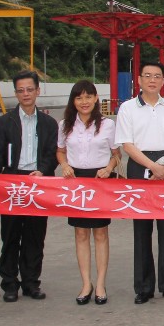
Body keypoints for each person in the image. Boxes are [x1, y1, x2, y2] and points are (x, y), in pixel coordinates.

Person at [114, 61, 164, 304]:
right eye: (147, 75)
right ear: (139, 80)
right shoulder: (127, 108)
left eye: (157, 76)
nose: (152, 80)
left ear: (163, 80)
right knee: (142, 229)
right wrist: (152, 167)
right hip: (140, 166)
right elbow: (127, 145)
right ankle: (144, 287)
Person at [0, 70, 59, 303]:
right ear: (16, 93)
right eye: (21, 90)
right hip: (12, 183)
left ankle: (31, 282)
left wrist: (44, 170)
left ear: (38, 91)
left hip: (38, 182)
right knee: (10, 235)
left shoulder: (49, 123)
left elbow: (52, 153)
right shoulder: (4, 122)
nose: (25, 94)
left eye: (30, 89)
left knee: (35, 236)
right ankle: (10, 283)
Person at [56, 79, 119, 305]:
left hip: (100, 180)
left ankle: (100, 284)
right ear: (73, 101)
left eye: (88, 97)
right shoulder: (65, 124)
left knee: (100, 233)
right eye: (79, 97)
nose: (84, 102)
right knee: (81, 233)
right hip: (76, 181)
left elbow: (116, 153)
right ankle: (86, 284)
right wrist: (64, 165)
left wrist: (109, 168)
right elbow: (60, 151)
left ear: (96, 99)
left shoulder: (107, 125)